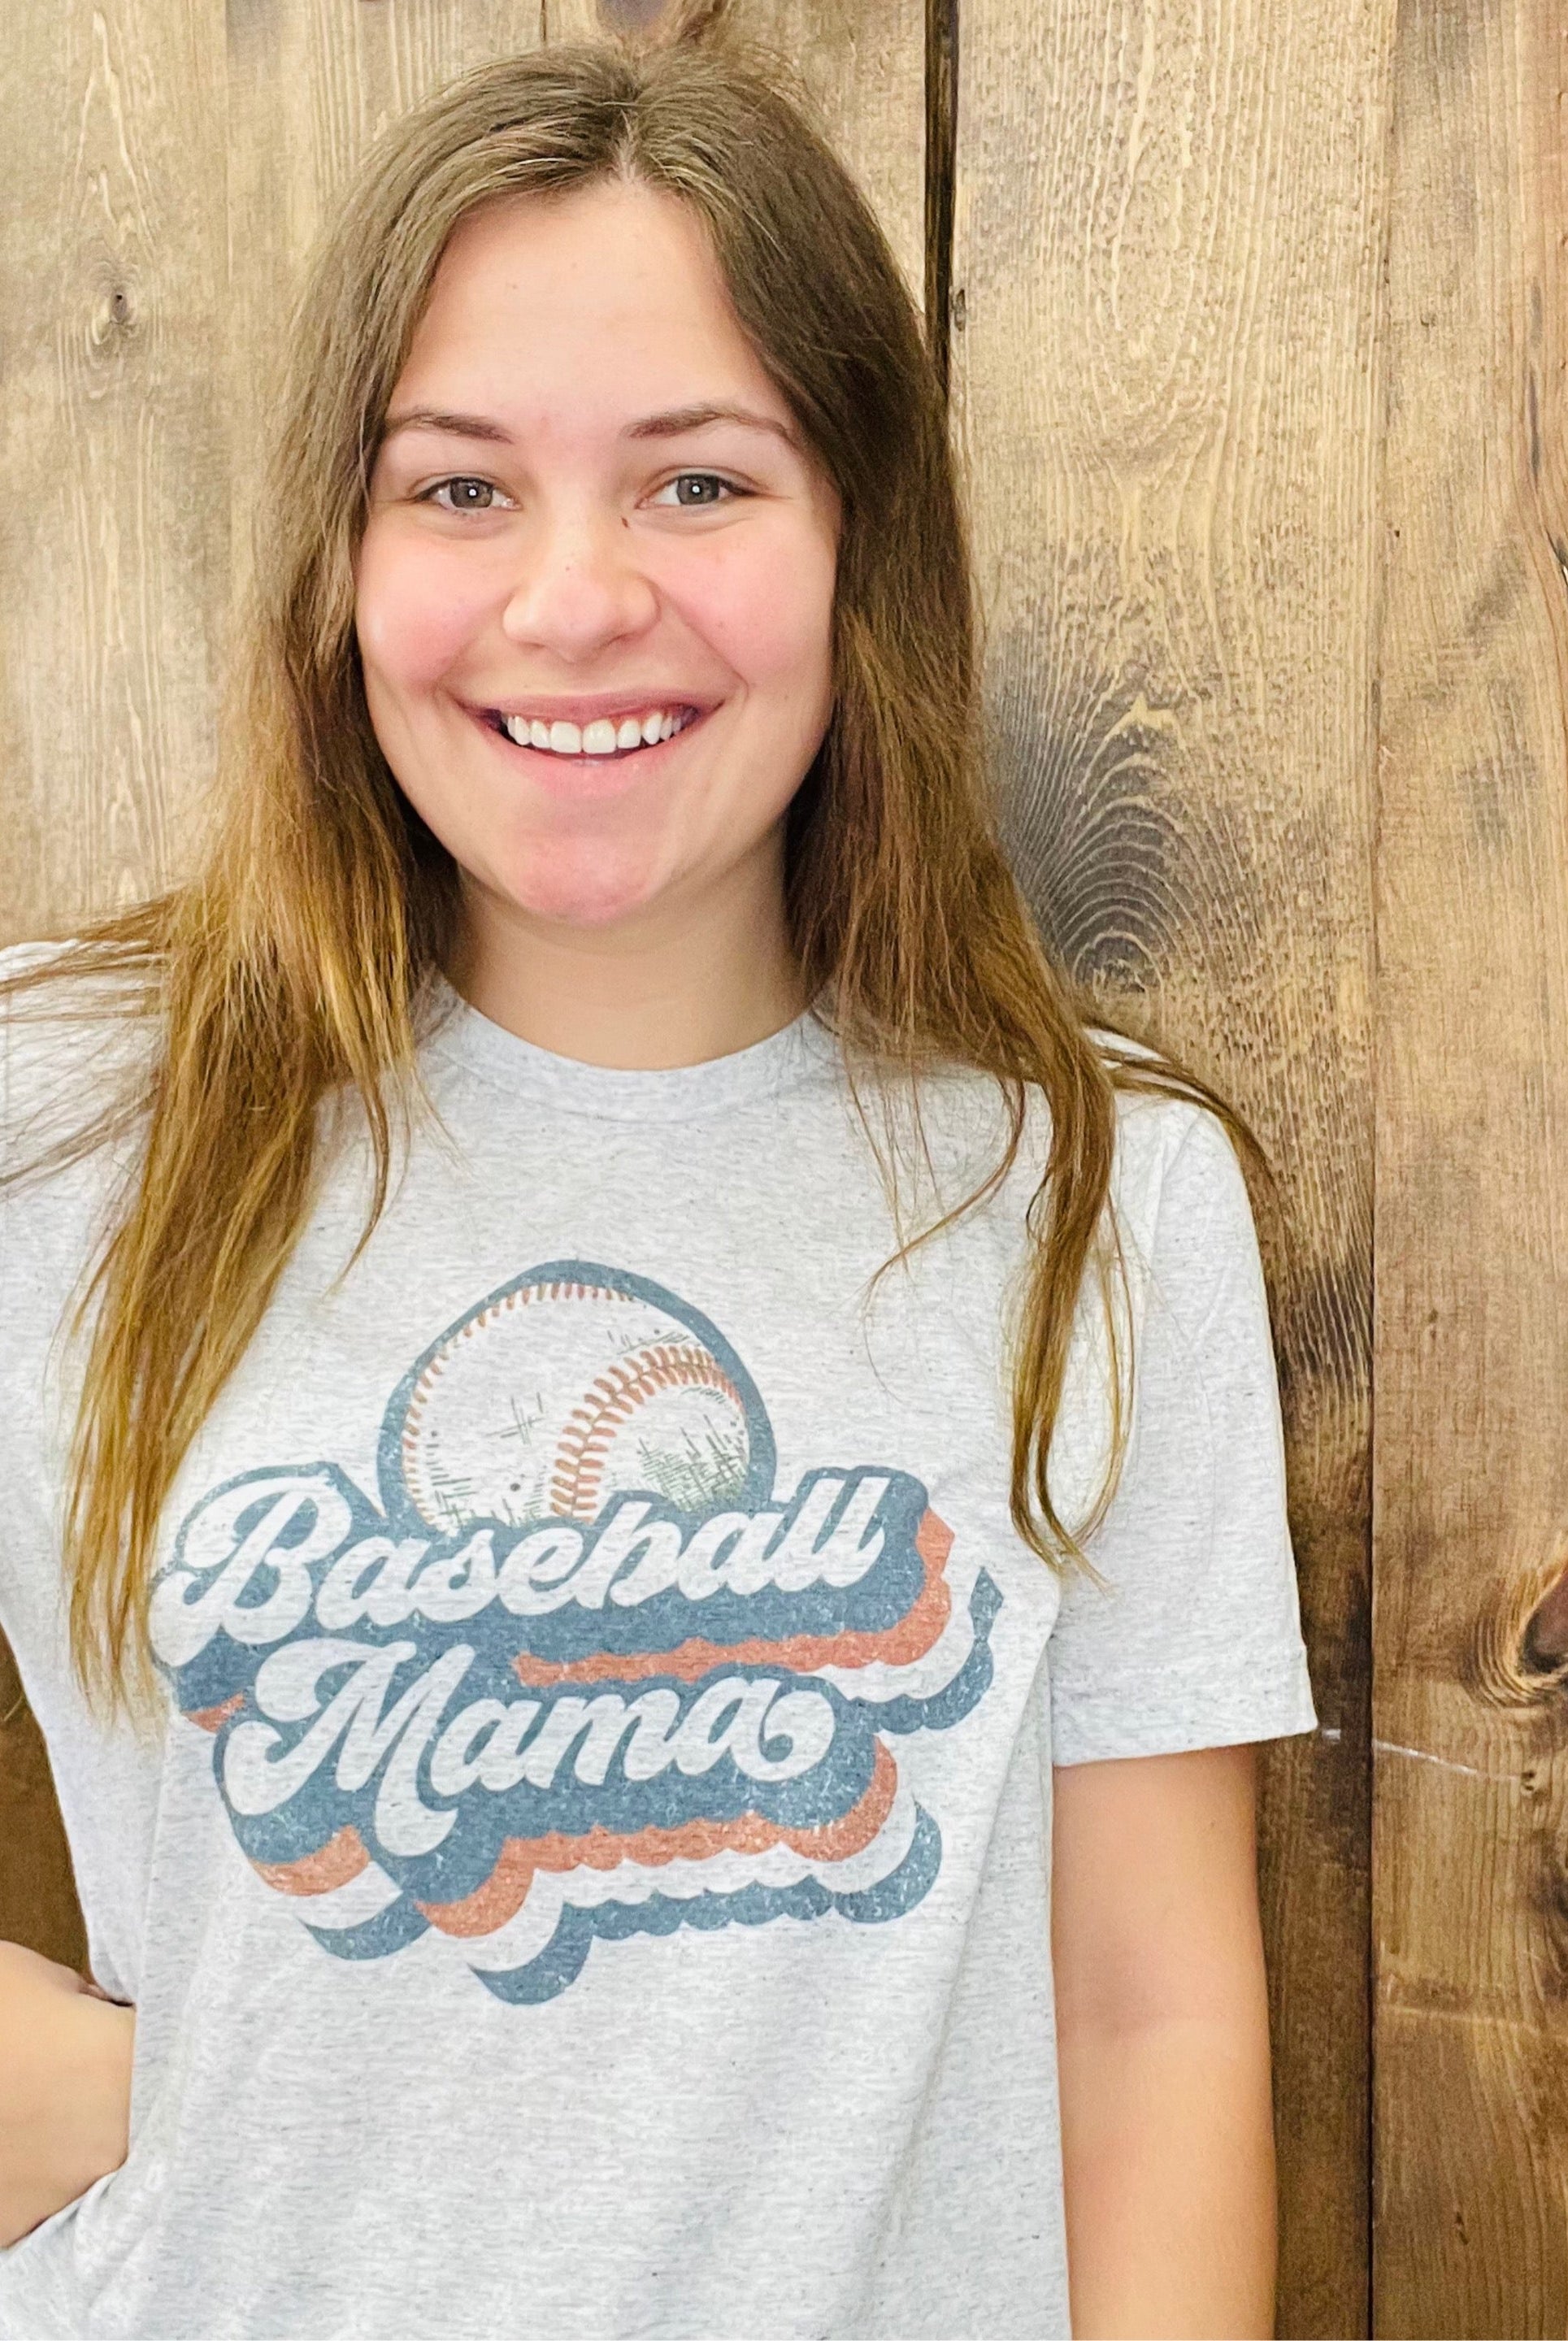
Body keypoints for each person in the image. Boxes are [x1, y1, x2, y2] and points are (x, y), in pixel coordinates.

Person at [0, 7, 1317, 2336]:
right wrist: (134, 2097)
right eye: (459, 488)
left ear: (857, 544)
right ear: (338, 562)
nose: (574, 598)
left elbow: (1148, 2024)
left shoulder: (1095, 1194)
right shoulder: (66, 1118)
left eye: (698, 483)